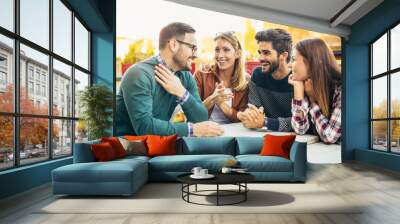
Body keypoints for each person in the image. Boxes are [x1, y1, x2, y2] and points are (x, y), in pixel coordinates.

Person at [115, 22, 224, 137]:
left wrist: (181, 92)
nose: (195, 54)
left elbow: (201, 118)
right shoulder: (139, 74)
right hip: (128, 150)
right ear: (173, 45)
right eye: (192, 48)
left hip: (159, 146)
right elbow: (144, 127)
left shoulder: (185, 76)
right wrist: (192, 130)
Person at [237, 29, 294, 132]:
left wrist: (266, 122)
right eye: (260, 52)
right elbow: (254, 108)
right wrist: (248, 115)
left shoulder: (296, 80)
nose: (260, 58)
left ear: (283, 56)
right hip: (265, 136)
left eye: (266, 53)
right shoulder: (258, 75)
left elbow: (300, 122)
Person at [288, 38, 342, 144]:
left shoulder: (341, 90)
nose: (289, 65)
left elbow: (329, 137)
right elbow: (300, 129)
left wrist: (313, 100)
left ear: (312, 62)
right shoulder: (305, 84)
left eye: (294, 59)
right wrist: (298, 93)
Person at [194, 31, 249, 124]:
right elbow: (192, 113)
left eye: (226, 50)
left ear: (237, 53)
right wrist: (212, 99)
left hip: (233, 134)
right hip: (204, 132)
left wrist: (222, 104)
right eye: (217, 50)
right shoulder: (201, 75)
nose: (220, 55)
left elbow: (243, 119)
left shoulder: (246, 81)